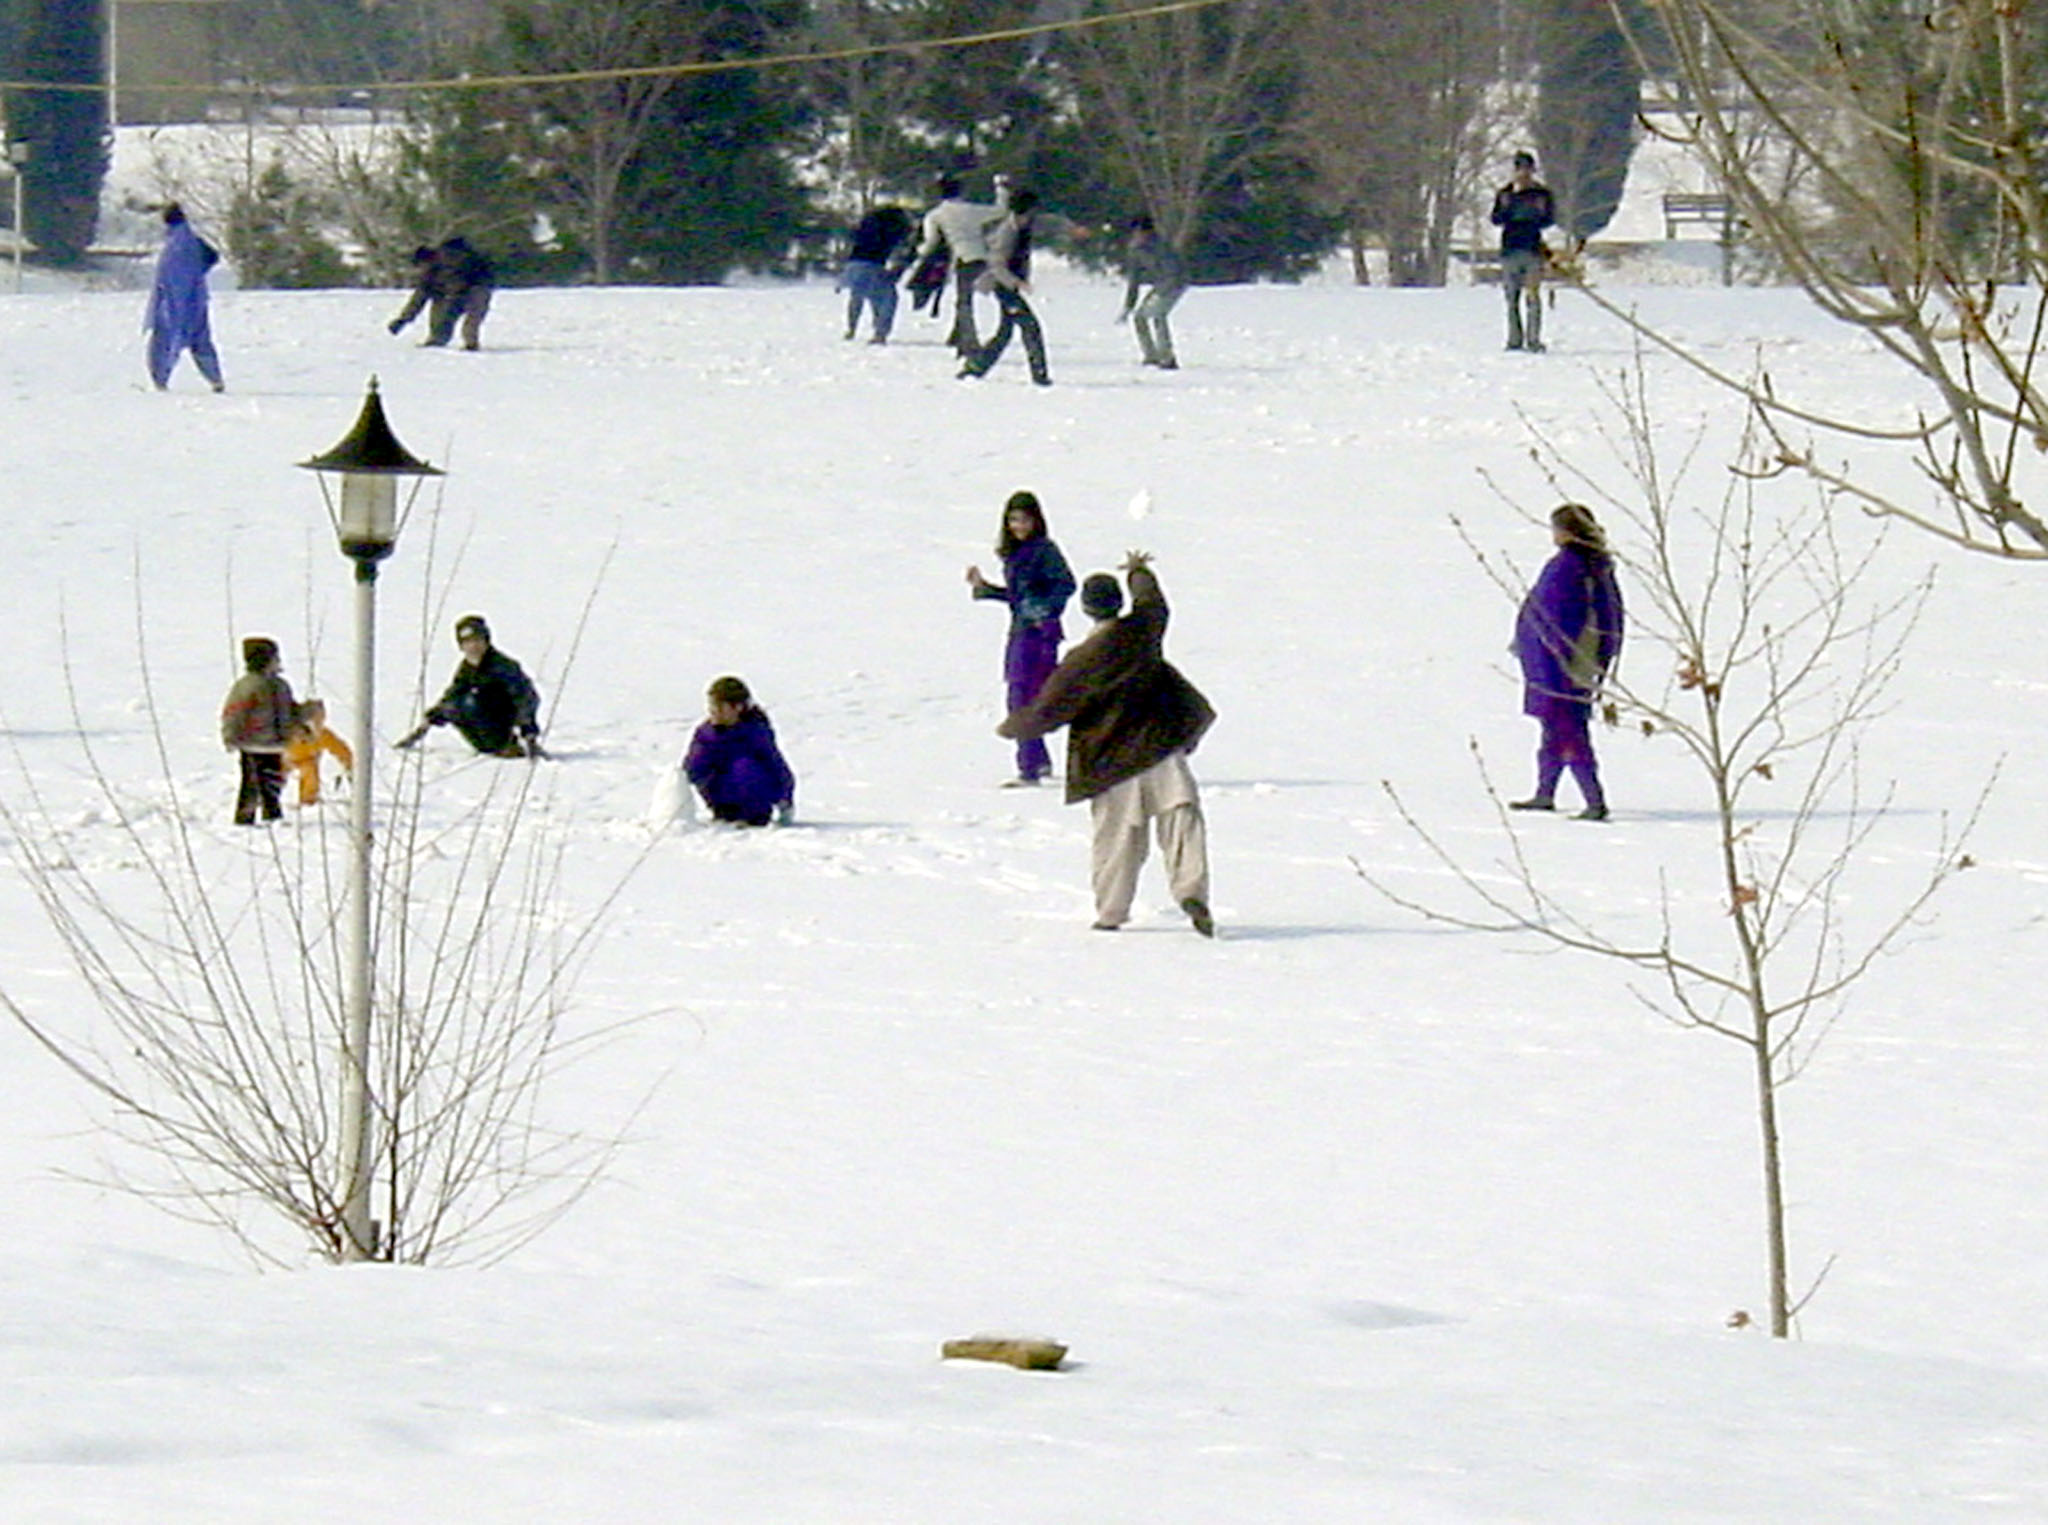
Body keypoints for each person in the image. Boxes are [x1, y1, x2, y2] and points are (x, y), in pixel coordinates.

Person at [999, 552, 1216, 936]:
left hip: (1111, 762)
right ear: (1118, 603)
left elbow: (1047, 711)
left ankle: (1111, 912)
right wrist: (1138, 571)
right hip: (1161, 748)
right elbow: (1154, 602)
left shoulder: (1080, 662)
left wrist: (1012, 727)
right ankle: (1190, 890)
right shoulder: (1141, 631)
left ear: (1086, 609)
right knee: (1182, 823)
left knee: (1117, 841)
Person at [1511, 503, 1625, 820]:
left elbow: (1555, 616)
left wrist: (1543, 649)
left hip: (1561, 662)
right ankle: (1545, 792)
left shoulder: (1569, 566)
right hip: (1574, 660)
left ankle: (1594, 799)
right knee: (1555, 726)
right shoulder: (1595, 566)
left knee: (1567, 726)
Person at [968, 489, 1076, 785]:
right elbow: (1019, 596)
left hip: (1039, 634)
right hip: (1021, 630)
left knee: (1022, 696)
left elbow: (1066, 585)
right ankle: (1037, 760)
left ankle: (1029, 766)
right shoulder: (1017, 553)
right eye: (1013, 520)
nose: (1018, 526)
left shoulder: (1044, 550)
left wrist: (1044, 610)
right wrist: (986, 589)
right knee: (1026, 695)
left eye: (1024, 520)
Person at [397, 614, 543, 758]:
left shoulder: (503, 666)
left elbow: (525, 697)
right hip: (483, 733)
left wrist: (528, 731)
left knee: (472, 701)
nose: (473, 646)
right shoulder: (467, 667)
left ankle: (507, 746)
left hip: (504, 725)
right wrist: (431, 718)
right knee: (456, 706)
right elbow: (453, 694)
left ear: (486, 641)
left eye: (478, 640)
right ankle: (489, 747)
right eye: (468, 642)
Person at [958, 188, 1051, 386]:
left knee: (1005, 333)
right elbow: (996, 265)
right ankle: (1040, 375)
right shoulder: (1007, 232)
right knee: (1030, 326)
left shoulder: (1022, 228)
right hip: (1002, 286)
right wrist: (1016, 283)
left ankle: (975, 368)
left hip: (1009, 285)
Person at [910, 172, 1007, 356]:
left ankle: (969, 343)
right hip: (984, 258)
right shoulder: (971, 210)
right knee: (977, 298)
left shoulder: (935, 215)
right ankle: (957, 336)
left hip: (963, 259)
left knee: (964, 302)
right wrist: (1001, 188)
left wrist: (918, 252)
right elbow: (1000, 210)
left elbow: (931, 242)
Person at [684, 676, 796, 826]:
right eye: (712, 706)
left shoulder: (755, 733)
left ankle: (751, 815)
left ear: (738, 708)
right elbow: (692, 769)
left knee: (744, 765)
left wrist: (785, 800)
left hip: (755, 806)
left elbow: (776, 766)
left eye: (720, 707)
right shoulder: (706, 735)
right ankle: (726, 813)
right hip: (720, 802)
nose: (714, 712)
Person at [220, 636, 304, 824]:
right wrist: (230, 735)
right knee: (251, 782)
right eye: (274, 658)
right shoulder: (248, 686)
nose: (278, 662)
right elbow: (233, 713)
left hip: (276, 744)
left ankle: (272, 814)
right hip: (253, 744)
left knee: (273, 780)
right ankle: (245, 816)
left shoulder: (281, 686)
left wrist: (304, 718)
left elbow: (290, 710)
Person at [146, 203, 225, 393]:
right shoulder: (189, 239)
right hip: (196, 300)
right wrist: (199, 274)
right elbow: (212, 256)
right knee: (201, 342)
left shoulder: (177, 245)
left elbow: (174, 278)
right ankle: (215, 380)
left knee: (164, 341)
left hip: (176, 303)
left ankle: (159, 382)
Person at [1490, 151, 1556, 353]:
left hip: (1533, 250)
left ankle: (1534, 339)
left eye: (1527, 169)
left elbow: (1549, 219)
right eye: (1520, 169)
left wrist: (1534, 213)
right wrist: (1509, 208)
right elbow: (1496, 219)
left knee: (1533, 297)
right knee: (1511, 298)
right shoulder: (1505, 194)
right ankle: (1514, 339)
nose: (1523, 174)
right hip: (1510, 250)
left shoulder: (1541, 194)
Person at [388, 236, 496, 351]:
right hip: (457, 293)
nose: (420, 270)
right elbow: (418, 299)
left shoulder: (449, 259)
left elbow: (456, 282)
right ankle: (438, 339)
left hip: (478, 287)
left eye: (420, 266)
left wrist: (447, 294)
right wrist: (403, 319)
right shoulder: (430, 275)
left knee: (471, 317)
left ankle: (470, 343)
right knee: (442, 310)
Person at [1117, 214, 1187, 370]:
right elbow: (1134, 280)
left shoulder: (1161, 247)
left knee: (1158, 315)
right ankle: (1151, 355)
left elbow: (1174, 271)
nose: (1137, 236)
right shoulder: (1135, 250)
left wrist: (1162, 293)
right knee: (1139, 317)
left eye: (1140, 232)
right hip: (1160, 285)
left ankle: (1167, 358)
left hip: (1174, 284)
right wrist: (1129, 305)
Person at [841, 205, 914, 344]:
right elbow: (903, 251)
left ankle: (851, 329)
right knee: (887, 298)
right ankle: (880, 333)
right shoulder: (892, 229)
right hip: (873, 265)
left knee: (857, 297)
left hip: (852, 265)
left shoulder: (866, 224)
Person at [283, 698, 355, 807]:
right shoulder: (287, 730)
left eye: (320, 721)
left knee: (310, 771)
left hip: (306, 760)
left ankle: (308, 800)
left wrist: (349, 764)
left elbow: (339, 749)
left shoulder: (322, 735)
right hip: (281, 758)